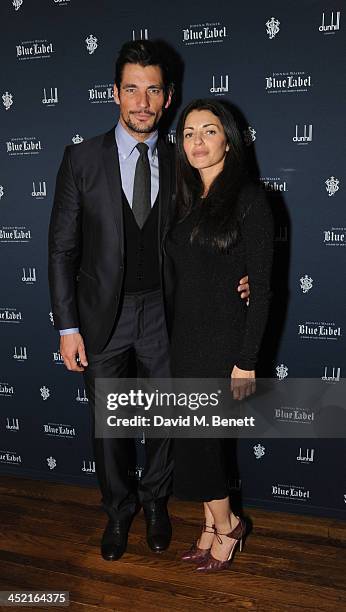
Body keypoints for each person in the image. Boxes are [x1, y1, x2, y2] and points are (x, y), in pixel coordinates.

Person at [48, 40, 250, 562]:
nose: (142, 101)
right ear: (115, 93)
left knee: (165, 419)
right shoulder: (81, 158)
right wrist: (67, 327)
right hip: (100, 318)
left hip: (166, 313)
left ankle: (156, 503)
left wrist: (240, 274)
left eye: (153, 90)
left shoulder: (181, 156)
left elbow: (214, 223)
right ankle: (119, 511)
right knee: (110, 424)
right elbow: (61, 249)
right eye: (132, 89)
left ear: (167, 96)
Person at [165, 99, 273, 572]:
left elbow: (265, 289)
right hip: (183, 339)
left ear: (228, 138)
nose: (197, 142)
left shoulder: (250, 200)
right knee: (191, 441)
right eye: (188, 133)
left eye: (208, 131)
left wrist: (246, 360)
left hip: (224, 342)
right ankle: (208, 526)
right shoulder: (185, 199)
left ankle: (229, 528)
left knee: (205, 442)